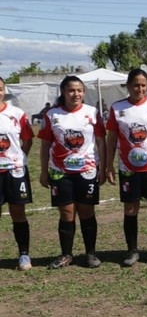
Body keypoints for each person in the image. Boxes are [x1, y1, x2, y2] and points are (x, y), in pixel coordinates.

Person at [38, 75, 106, 269]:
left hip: (87, 170)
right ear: (63, 92)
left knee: (86, 211)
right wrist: (44, 171)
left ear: (84, 92)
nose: (75, 94)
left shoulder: (92, 113)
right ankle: (66, 254)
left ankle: (91, 253)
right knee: (67, 213)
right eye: (71, 90)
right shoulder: (52, 115)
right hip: (61, 172)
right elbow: (44, 145)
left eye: (79, 90)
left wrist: (103, 167)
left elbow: (101, 141)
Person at [104, 69, 147, 267]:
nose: (139, 89)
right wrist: (108, 165)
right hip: (128, 168)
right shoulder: (118, 108)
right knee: (131, 208)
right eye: (135, 85)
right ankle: (132, 250)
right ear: (128, 86)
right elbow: (112, 138)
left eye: (143, 85)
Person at [0, 76, 35, 270]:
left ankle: (24, 255)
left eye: (0, 88)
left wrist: (20, 158)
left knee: (18, 213)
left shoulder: (16, 113)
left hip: (15, 171)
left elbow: (27, 139)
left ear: (4, 90)